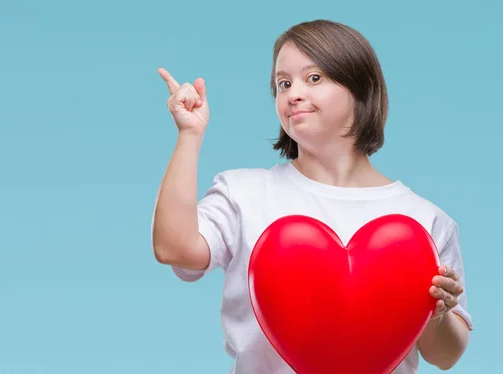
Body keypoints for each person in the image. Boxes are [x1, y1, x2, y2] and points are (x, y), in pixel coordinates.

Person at [151, 19, 473, 374]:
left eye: (314, 78)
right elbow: (173, 248)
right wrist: (189, 135)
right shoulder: (244, 193)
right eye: (282, 83)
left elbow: (445, 356)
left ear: (360, 88)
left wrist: (436, 313)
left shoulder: (424, 220)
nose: (293, 94)